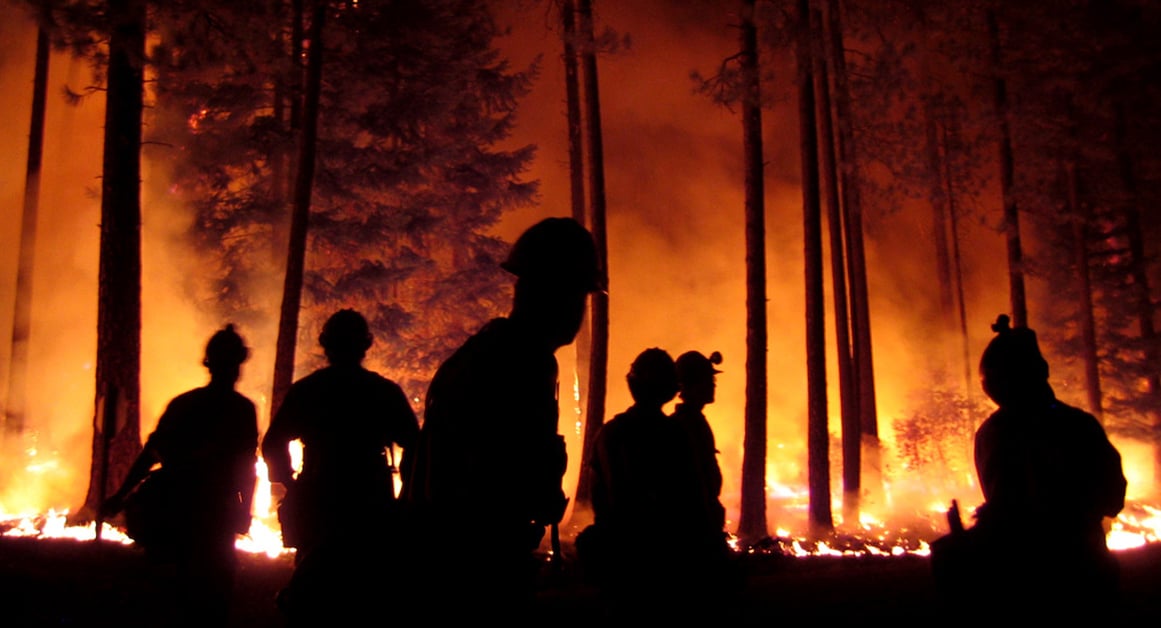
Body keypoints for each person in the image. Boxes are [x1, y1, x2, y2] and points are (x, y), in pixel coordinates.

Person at [402, 216, 602, 618]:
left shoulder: (491, 353)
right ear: (554, 294)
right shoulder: (519, 365)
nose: (580, 311)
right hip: (472, 564)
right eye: (578, 295)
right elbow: (493, 472)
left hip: (449, 555)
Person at [932, 314, 1127, 618]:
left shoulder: (991, 433)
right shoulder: (1078, 425)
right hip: (1080, 571)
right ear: (1041, 371)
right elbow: (1113, 498)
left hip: (1019, 577)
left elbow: (1002, 501)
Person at [261, 308, 420, 624]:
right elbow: (415, 445)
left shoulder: (309, 390)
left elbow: (273, 443)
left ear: (326, 345)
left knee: (313, 587)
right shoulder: (381, 391)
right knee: (365, 590)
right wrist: (406, 497)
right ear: (365, 346)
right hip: (370, 498)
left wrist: (290, 484)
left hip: (318, 496)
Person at [101, 324, 259, 627]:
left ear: (209, 363)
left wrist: (122, 496)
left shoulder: (184, 404)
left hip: (174, 510)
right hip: (215, 513)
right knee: (211, 600)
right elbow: (245, 467)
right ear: (238, 367)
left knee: (168, 597)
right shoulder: (241, 410)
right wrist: (243, 510)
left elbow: (151, 455)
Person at [580, 348, 711, 621]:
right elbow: (692, 500)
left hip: (621, 563)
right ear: (670, 388)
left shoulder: (610, 433)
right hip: (668, 563)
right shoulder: (674, 435)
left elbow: (598, 496)